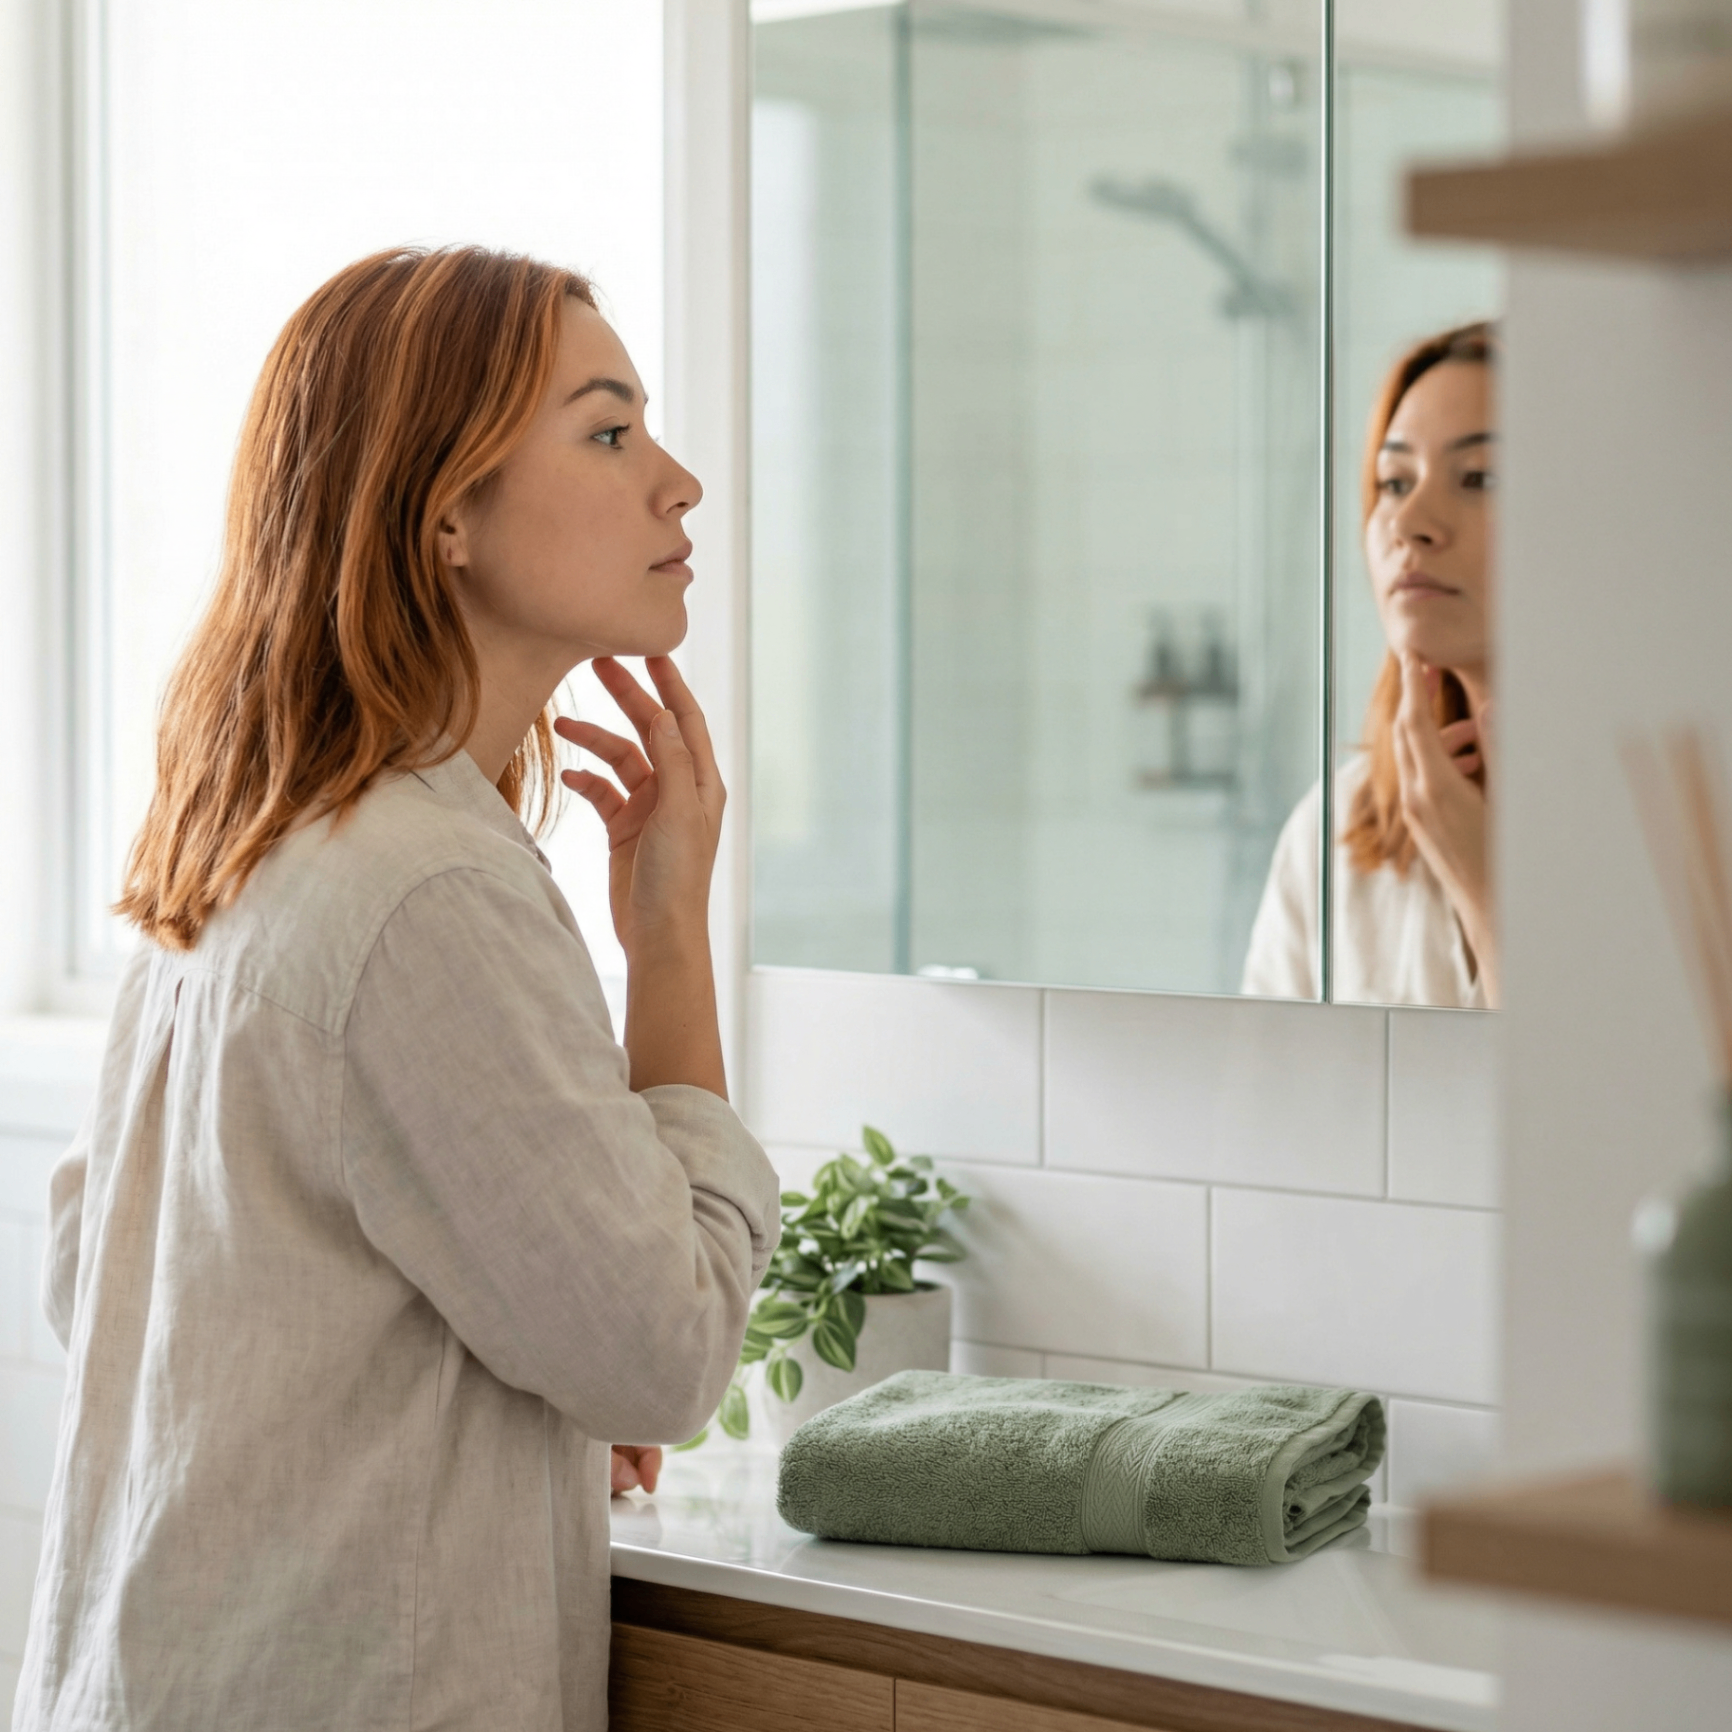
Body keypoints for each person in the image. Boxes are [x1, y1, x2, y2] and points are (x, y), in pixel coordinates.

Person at [16, 247, 780, 1731]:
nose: (676, 482)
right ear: (445, 512)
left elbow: (85, 1258)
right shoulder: (433, 889)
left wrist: (524, 1359)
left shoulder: (251, 827)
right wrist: (672, 937)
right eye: (611, 431)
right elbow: (663, 1355)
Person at [1243, 321, 1497, 1008]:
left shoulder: (1675, 816)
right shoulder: (1332, 831)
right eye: (1392, 481)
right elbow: (1261, 1102)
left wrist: (1489, 895)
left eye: (1480, 477)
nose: (1409, 522)